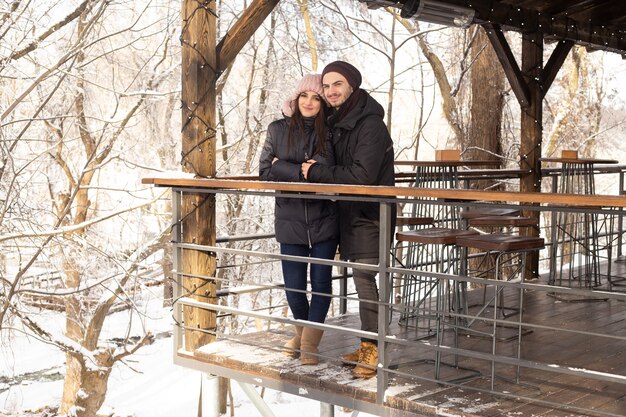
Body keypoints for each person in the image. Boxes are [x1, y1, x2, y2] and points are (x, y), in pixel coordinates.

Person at [301, 61, 395, 378]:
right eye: (326, 86)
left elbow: (362, 176)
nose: (331, 91)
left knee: (366, 280)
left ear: (351, 85)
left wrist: (316, 172)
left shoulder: (370, 125)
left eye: (337, 84)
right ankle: (369, 343)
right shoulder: (338, 121)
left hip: (370, 213)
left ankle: (374, 350)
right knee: (361, 281)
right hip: (347, 213)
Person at [259, 74, 339, 365]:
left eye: (316, 97)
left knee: (320, 284)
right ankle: (305, 337)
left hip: (324, 219)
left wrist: (285, 166)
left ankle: (308, 346)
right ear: (296, 98)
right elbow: (265, 172)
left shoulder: (330, 133)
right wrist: (301, 171)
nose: (309, 102)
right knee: (294, 286)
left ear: (322, 103)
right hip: (290, 219)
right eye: (304, 95)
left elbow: (328, 171)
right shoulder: (277, 129)